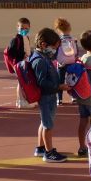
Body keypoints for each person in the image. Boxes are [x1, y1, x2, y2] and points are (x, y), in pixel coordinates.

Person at [30, 29, 69, 163]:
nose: (55, 50)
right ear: (43, 44)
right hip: (46, 96)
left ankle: (41, 148)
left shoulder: (43, 56)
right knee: (48, 125)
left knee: (44, 122)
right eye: (54, 47)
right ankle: (49, 152)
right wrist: (58, 86)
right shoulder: (39, 60)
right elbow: (42, 82)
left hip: (49, 95)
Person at [6, 18, 32, 108]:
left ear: (29, 28)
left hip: (26, 63)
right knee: (21, 83)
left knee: (24, 82)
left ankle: (23, 100)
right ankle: (21, 101)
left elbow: (28, 49)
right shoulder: (16, 39)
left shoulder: (26, 38)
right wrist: (22, 55)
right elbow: (11, 52)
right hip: (19, 63)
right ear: (18, 28)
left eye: (26, 28)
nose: (24, 30)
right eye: (22, 28)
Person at [54, 18, 81, 105]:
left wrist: (56, 59)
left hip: (62, 63)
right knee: (72, 79)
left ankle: (59, 99)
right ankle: (73, 97)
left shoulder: (58, 40)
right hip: (71, 62)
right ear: (69, 28)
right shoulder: (73, 39)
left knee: (60, 80)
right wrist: (75, 57)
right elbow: (76, 51)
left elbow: (56, 51)